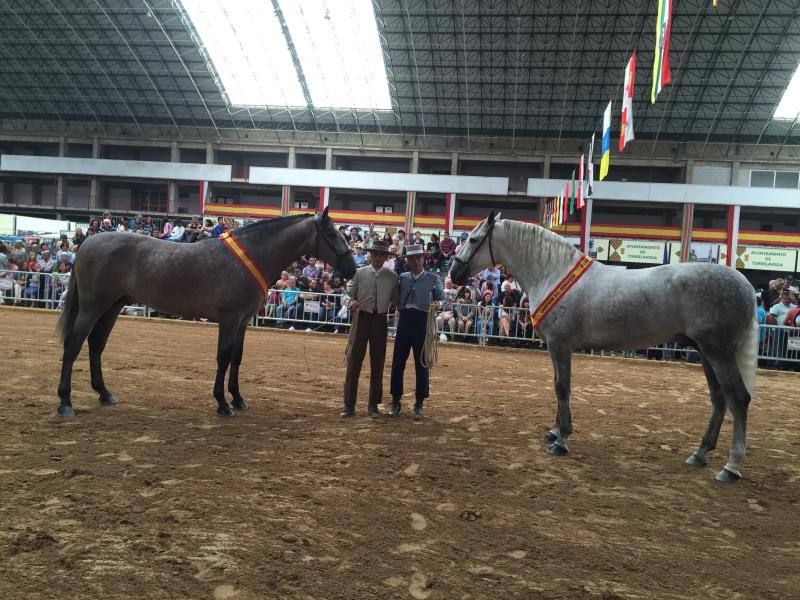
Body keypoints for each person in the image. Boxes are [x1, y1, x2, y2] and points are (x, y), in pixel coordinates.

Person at [341, 239, 398, 418]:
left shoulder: (392, 277)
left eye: (382, 254)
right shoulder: (359, 273)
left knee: (378, 363)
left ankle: (373, 404)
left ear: (386, 256)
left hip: (380, 321)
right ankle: (349, 405)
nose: (378, 257)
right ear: (370, 254)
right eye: (375, 253)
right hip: (361, 318)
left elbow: (397, 299)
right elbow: (346, 293)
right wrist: (350, 301)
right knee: (354, 362)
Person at [389, 244, 444, 420]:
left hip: (422, 322)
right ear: (408, 261)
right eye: (412, 258)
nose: (416, 261)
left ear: (424, 259)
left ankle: (419, 403)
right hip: (405, 320)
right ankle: (395, 400)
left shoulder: (433, 278)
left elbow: (441, 297)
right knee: (398, 362)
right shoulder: (402, 278)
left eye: (419, 257)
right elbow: (395, 296)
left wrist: (438, 301)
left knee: (422, 364)